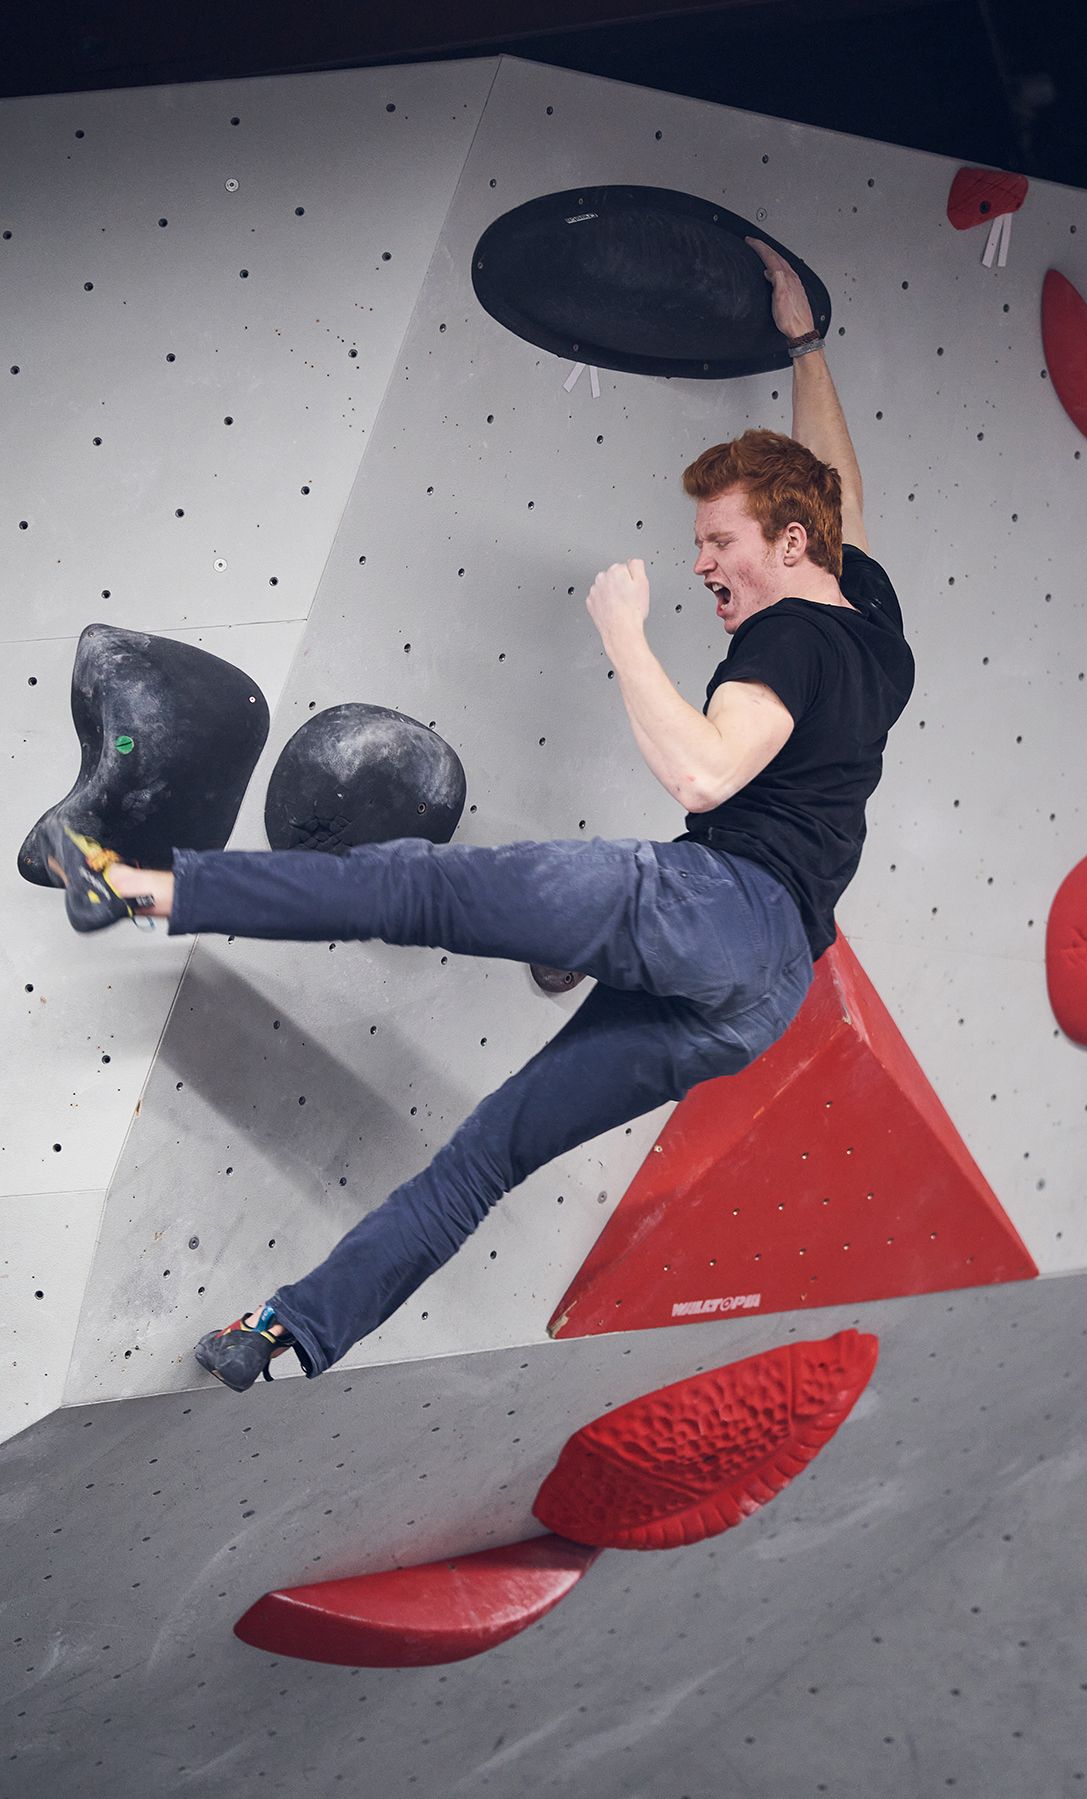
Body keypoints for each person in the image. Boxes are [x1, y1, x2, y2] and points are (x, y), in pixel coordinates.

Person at [39, 240, 915, 1390]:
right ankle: (291, 1332)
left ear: (788, 544)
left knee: (416, 884)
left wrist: (621, 632)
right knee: (493, 1147)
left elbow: (704, 774)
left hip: (712, 906)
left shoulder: (787, 640)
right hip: (758, 997)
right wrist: (805, 343)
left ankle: (142, 884)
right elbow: (833, 480)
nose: (702, 563)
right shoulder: (871, 624)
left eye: (721, 542)